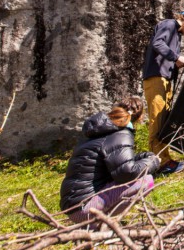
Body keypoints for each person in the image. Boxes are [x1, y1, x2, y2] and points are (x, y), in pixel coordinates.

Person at [60, 96, 160, 224]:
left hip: (72, 206)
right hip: (84, 210)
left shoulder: (98, 131)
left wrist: (144, 157)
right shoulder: (120, 134)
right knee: (146, 180)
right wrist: (154, 162)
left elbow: (115, 164)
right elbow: (127, 172)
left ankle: (97, 221)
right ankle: (99, 223)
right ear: (140, 118)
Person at [142, 8, 184, 174]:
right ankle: (160, 163)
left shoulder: (177, 34)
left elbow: (163, 54)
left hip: (164, 78)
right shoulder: (169, 25)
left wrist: (176, 63)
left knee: (164, 119)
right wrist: (176, 57)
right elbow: (157, 43)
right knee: (157, 119)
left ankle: (164, 159)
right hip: (156, 78)